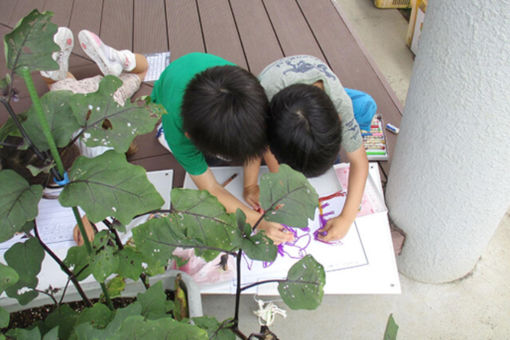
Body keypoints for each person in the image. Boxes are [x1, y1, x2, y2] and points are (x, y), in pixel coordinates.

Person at [152, 53, 293, 244]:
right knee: (211, 161)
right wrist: (257, 221)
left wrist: (263, 184)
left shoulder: (252, 97)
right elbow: (210, 187)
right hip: (169, 85)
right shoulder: (179, 133)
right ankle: (162, 134)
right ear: (190, 136)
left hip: (206, 75)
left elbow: (262, 142)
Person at [244, 55, 370, 242]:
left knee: (367, 105)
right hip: (273, 84)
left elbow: (360, 162)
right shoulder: (262, 103)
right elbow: (255, 146)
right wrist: (250, 186)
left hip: (318, 81)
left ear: (338, 123)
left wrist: (347, 218)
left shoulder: (341, 107)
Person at [40, 27, 149, 158]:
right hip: (70, 103)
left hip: (107, 97)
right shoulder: (79, 159)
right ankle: (55, 69)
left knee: (142, 70)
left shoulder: (116, 143)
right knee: (55, 83)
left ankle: (118, 59)